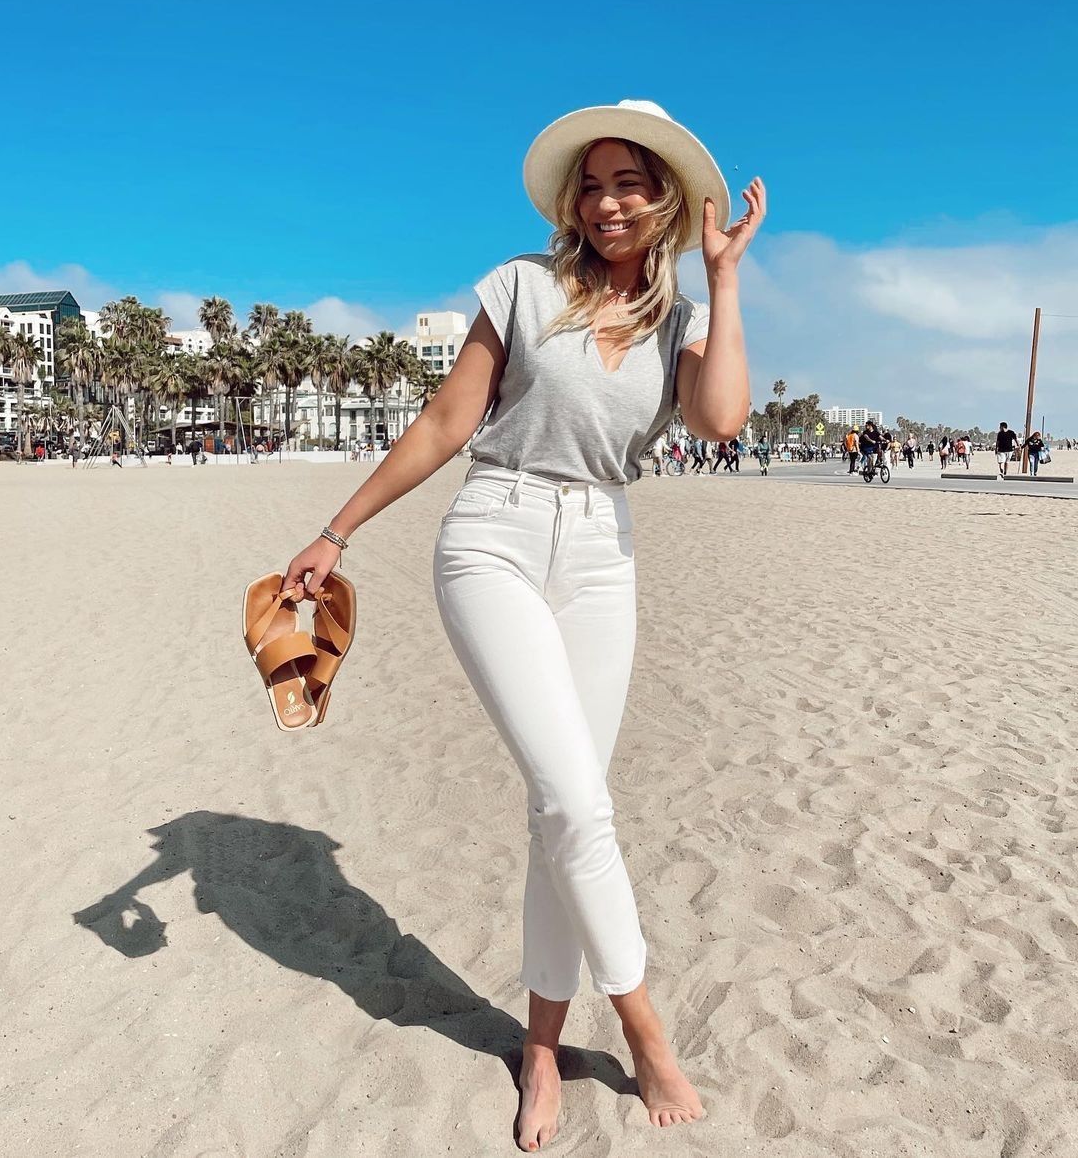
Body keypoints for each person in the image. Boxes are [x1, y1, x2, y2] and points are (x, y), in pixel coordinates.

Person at [282, 100, 764, 1147]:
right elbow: (448, 420)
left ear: (665, 199)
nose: (606, 203)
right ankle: (645, 1029)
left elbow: (722, 417)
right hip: (493, 535)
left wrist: (724, 280)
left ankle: (541, 1048)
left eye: (628, 183)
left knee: (565, 810)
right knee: (576, 803)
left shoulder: (681, 319)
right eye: (590, 186)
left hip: (602, 552)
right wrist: (337, 530)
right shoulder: (523, 284)